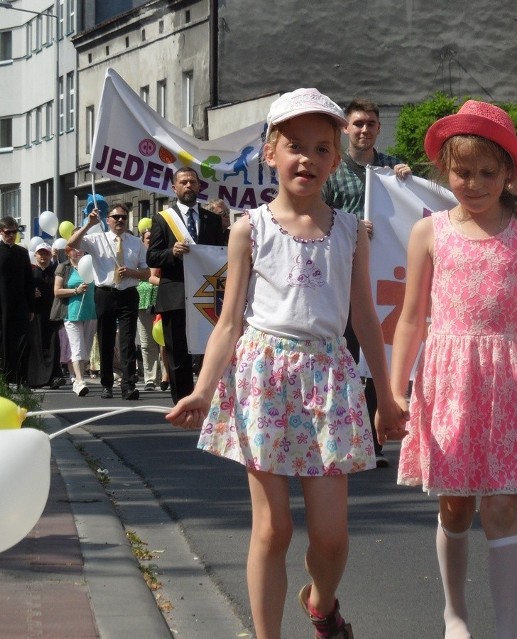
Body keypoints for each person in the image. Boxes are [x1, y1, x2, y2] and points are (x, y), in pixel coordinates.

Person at [165, 88, 407, 639]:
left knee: (331, 537)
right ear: (270, 152)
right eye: (295, 146)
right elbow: (227, 322)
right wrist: (203, 391)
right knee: (272, 529)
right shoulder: (249, 228)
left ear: (336, 159)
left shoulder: (349, 231)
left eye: (322, 149)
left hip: (330, 379)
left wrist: (388, 396)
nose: (308, 158)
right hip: (264, 377)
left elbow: (365, 319)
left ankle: (322, 605)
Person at [391, 100, 517, 639]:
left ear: (508, 172)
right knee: (456, 505)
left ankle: (505, 628)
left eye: (487, 172)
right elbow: (411, 318)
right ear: (444, 170)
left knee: (502, 505)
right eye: (462, 172)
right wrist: (395, 389)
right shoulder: (429, 231)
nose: (474, 183)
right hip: (450, 377)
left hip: (507, 376)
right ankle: (455, 612)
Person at [322, 98, 413, 468]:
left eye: (371, 124)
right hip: (342, 283)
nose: (364, 130)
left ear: (378, 128)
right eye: (357, 123)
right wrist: (351, 229)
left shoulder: (393, 170)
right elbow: (319, 220)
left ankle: (374, 442)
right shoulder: (331, 171)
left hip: (385, 283)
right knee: (343, 363)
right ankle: (341, 438)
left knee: (379, 363)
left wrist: (409, 184)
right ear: (346, 128)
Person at [146, 167, 226, 404]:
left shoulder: (212, 219)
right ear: (175, 187)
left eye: (192, 181)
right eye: (183, 182)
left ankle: (208, 398)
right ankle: (182, 400)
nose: (188, 185)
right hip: (175, 294)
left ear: (199, 186)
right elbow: (152, 257)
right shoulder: (162, 218)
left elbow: (219, 255)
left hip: (206, 294)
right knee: (177, 352)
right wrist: (172, 252)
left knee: (209, 349)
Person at [68, 203, 150, 400]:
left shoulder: (135, 243)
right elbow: (71, 244)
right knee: (105, 340)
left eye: (123, 217)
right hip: (105, 294)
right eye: (116, 217)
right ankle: (107, 384)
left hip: (128, 293)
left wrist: (131, 272)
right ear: (108, 220)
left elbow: (147, 272)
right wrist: (89, 224)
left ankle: (129, 385)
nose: (120, 220)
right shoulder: (98, 238)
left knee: (128, 340)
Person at [54, 245, 97, 397]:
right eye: (74, 249)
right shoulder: (63, 267)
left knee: (86, 347)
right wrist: (75, 291)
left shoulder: (92, 264)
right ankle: (79, 381)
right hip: (71, 313)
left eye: (80, 248)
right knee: (77, 347)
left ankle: (79, 378)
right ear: (67, 252)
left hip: (91, 312)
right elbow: (57, 291)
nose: (77, 251)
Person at [0, 217, 35, 385]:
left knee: (22, 341)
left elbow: (29, 281)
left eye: (14, 232)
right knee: (3, 340)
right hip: (2, 304)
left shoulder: (22, 253)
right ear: (1, 232)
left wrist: (31, 308)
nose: (11, 235)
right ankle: (4, 378)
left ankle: (20, 377)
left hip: (20, 304)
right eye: (8, 232)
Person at [29, 243, 64, 389]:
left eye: (46, 254)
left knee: (53, 346)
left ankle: (53, 377)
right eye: (40, 254)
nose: (43, 257)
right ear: (35, 255)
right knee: (35, 345)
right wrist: (31, 293)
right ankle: (35, 378)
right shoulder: (30, 272)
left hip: (52, 314)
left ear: (50, 255)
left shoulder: (55, 272)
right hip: (35, 314)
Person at [136, 229, 162, 392]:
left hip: (161, 302)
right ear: (142, 240)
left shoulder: (160, 253)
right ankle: (150, 378)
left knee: (164, 342)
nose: (150, 240)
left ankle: (165, 377)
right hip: (142, 302)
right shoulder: (138, 255)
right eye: (147, 238)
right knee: (146, 343)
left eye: (153, 238)